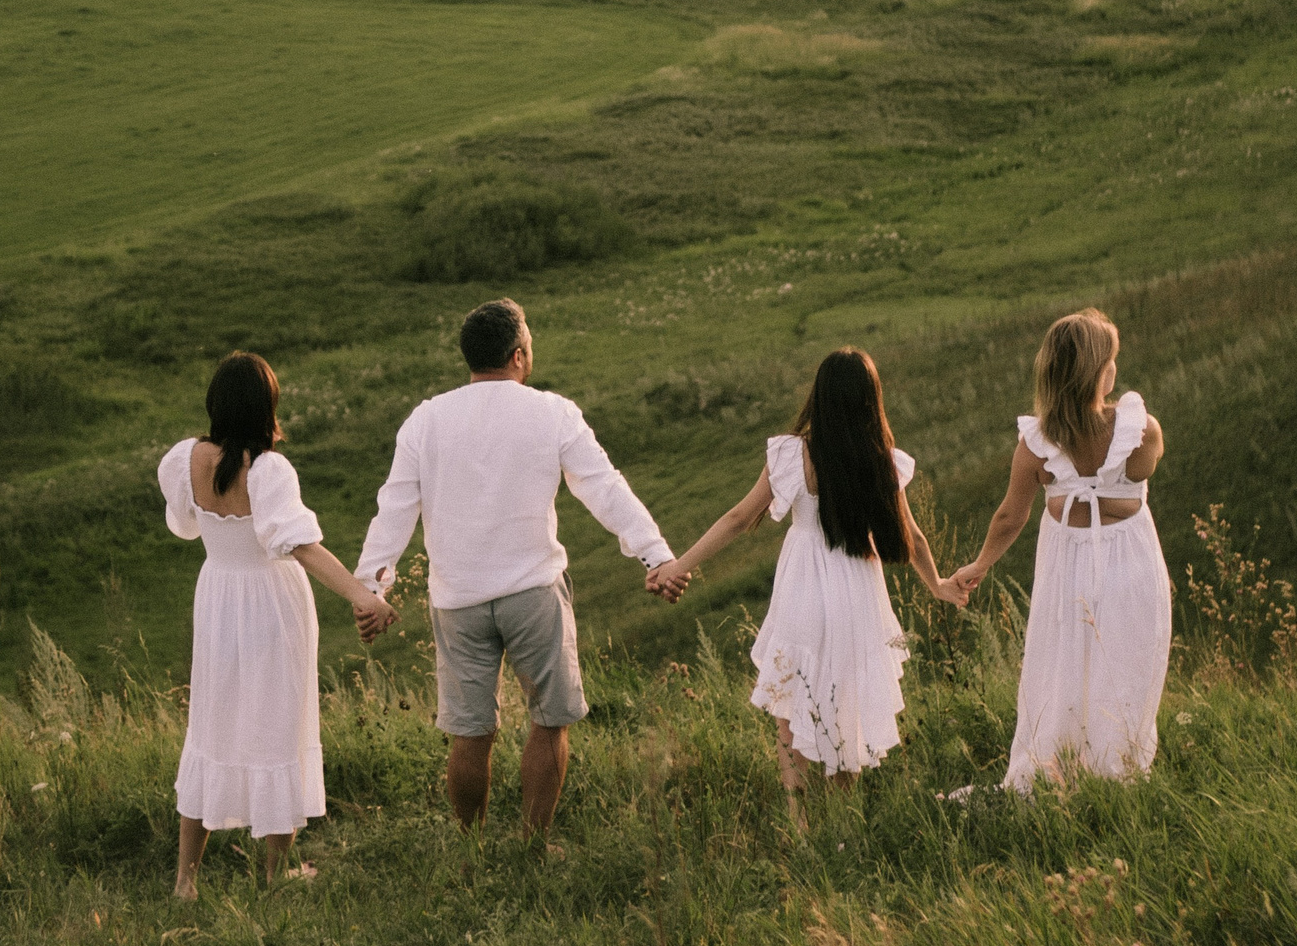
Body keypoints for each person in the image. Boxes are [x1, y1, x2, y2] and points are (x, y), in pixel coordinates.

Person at [353, 298, 678, 836]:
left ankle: (471, 845)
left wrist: (372, 587)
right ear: (519, 355)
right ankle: (532, 846)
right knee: (549, 724)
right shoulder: (552, 412)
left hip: (457, 599)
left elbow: (395, 508)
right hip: (534, 591)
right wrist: (656, 554)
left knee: (469, 733)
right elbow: (604, 488)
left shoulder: (426, 419)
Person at [650, 347, 963, 827]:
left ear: (819, 396)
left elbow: (739, 519)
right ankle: (841, 818)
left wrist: (679, 564)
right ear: (870, 401)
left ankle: (800, 819)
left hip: (804, 589)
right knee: (847, 701)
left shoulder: (794, 455)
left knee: (791, 703)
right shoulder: (882, 461)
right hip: (859, 590)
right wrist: (938, 584)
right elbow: (913, 537)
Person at [157, 351, 396, 900]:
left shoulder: (186, 459)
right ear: (268, 407)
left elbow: (188, 525)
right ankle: (274, 873)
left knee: (210, 725)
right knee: (279, 726)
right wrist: (364, 596)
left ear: (216, 404)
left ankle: (185, 881)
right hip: (271, 603)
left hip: (218, 596)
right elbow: (302, 547)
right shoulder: (268, 469)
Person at [944, 307, 1171, 786]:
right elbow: (1153, 459)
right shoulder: (1139, 430)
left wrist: (980, 563)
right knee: (1127, 664)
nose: (1115, 368)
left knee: (1062, 665)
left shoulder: (1037, 442)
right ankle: (1118, 768)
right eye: (1110, 360)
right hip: (1130, 565)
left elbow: (1011, 515)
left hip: (1066, 567)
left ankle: (1057, 766)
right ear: (1095, 371)